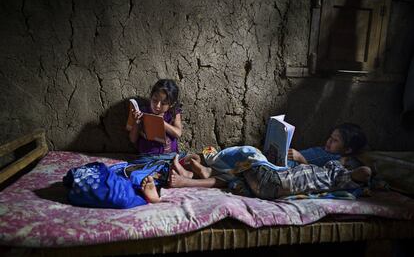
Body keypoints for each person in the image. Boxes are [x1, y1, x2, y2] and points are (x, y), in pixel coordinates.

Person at [167, 146, 372, 200]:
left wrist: (348, 164)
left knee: (249, 152)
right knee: (238, 174)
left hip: (273, 180)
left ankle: (210, 161)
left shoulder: (342, 175)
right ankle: (188, 180)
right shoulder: (328, 175)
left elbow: (366, 171)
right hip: (269, 189)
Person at [127, 79, 183, 155]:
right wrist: (137, 122)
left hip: (170, 156)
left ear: (171, 104)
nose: (157, 106)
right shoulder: (144, 112)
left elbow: (178, 133)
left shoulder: (173, 113)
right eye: (155, 100)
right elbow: (132, 139)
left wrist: (161, 122)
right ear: (151, 96)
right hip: (148, 157)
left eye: (163, 103)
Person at [287, 123, 368, 169]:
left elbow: (317, 175)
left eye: (335, 140)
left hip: (293, 166)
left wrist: (300, 158)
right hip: (289, 159)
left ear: (347, 150)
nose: (329, 141)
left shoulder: (335, 160)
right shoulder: (326, 150)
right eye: (330, 137)